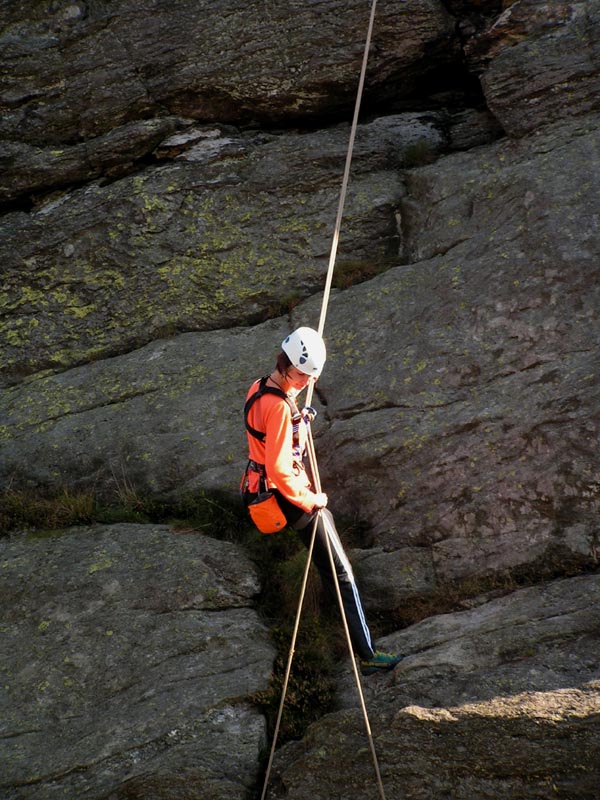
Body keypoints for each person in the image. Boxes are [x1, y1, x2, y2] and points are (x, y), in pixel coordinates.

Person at [241, 326, 401, 676]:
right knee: (341, 573)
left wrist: (298, 421)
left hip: (265, 491)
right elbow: (281, 469)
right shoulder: (280, 407)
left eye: (310, 376)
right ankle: (368, 654)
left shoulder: (259, 388)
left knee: (333, 570)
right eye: (301, 375)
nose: (304, 382)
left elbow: (269, 438)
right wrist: (313, 500)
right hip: (290, 497)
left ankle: (360, 647)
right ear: (286, 364)